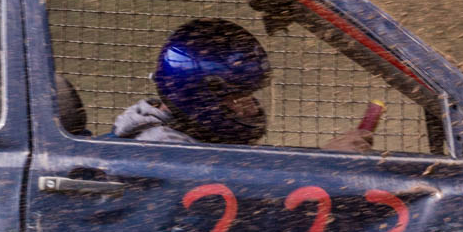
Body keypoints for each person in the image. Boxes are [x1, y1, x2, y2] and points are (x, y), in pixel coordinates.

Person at [112, 17, 374, 152]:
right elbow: (241, 193)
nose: (252, 106)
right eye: (239, 96)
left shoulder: (193, 137)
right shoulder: (159, 147)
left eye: (251, 94)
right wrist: (324, 162)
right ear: (199, 97)